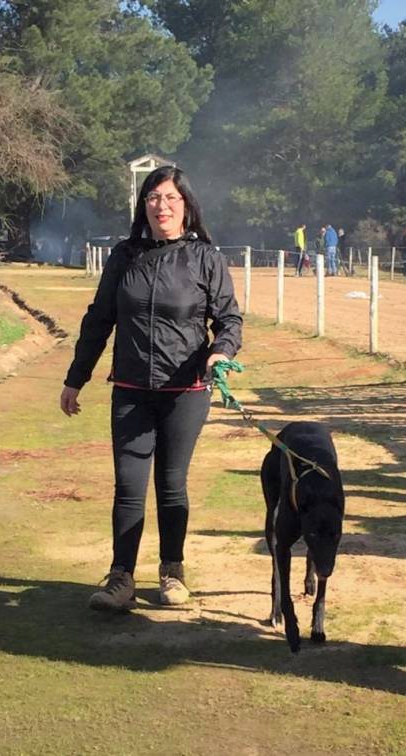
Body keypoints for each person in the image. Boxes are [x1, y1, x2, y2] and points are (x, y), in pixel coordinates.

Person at [60, 166, 243, 609]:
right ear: (144, 206)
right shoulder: (124, 256)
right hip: (131, 389)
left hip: (186, 392)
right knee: (128, 484)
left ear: (186, 206)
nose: (161, 206)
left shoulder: (205, 259)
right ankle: (120, 579)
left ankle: (172, 573)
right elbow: (99, 319)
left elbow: (229, 319)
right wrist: (76, 378)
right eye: (153, 198)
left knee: (171, 483)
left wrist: (221, 352)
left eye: (170, 198)